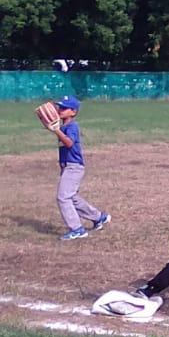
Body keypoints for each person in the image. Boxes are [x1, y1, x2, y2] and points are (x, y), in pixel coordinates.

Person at [49, 95, 110, 240]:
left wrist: (56, 131)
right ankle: (98, 217)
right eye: (60, 107)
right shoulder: (64, 126)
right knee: (72, 197)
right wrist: (62, 166)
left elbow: (69, 143)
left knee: (63, 197)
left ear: (73, 112)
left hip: (74, 167)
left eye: (64, 108)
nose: (60, 110)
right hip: (69, 166)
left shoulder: (72, 126)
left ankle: (77, 229)